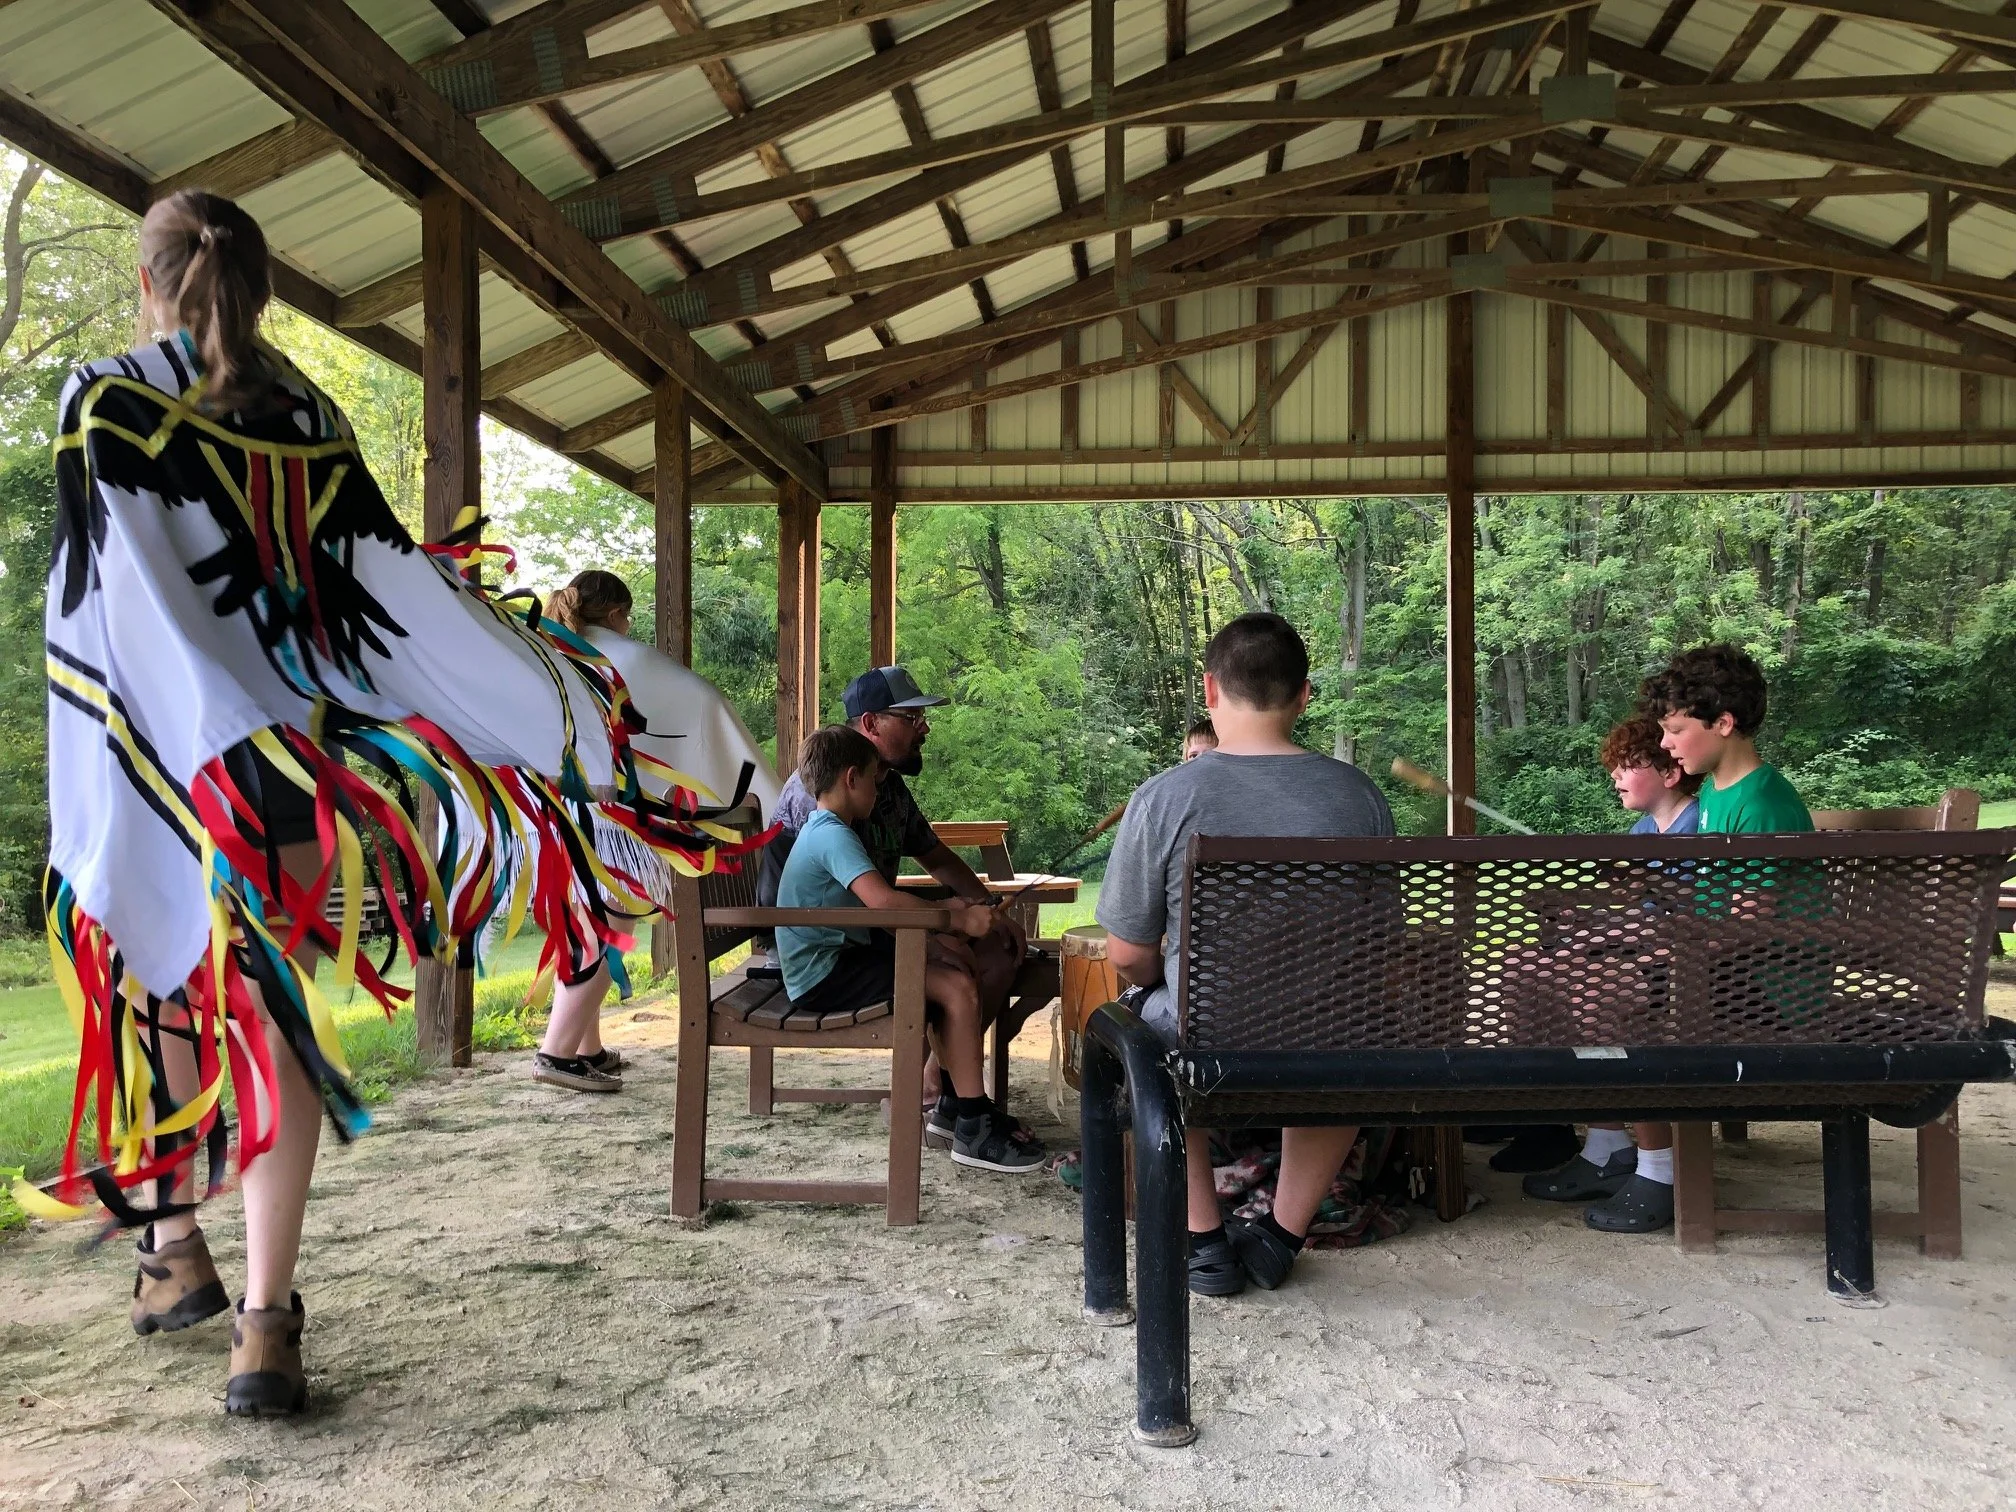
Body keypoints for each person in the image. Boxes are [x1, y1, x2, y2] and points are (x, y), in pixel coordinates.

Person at [33, 191, 733, 1416]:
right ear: (264, 290)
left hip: (158, 765)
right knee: (273, 1027)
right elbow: (393, 590)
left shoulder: (104, 400)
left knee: (155, 999)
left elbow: (98, 601)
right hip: (291, 778)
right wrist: (553, 707)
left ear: (147, 283)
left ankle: (173, 1244)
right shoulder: (309, 415)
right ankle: (261, 1325)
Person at [1098, 612, 1394, 1294]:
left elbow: (1127, 953)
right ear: (1304, 696)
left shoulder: (1166, 797)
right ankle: (1281, 1236)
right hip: (1332, 1033)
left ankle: (1204, 1242)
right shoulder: (1359, 797)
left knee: (1145, 1027)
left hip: (1211, 1029)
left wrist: (1161, 976)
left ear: (1209, 689)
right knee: (1347, 1025)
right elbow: (1380, 938)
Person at [1575, 644, 1812, 1235]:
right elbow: (1706, 907)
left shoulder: (1760, 803)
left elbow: (1747, 926)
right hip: (1721, 968)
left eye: (1676, 730)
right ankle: (1613, 1146)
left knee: (1602, 993)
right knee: (1571, 969)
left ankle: (1660, 1171)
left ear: (1723, 723)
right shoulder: (1714, 798)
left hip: (1769, 990)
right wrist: (1638, 917)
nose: (1667, 743)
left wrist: (1652, 947)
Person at [528, 569, 781, 1093]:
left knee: (587, 924)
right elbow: (702, 703)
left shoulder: (551, 653)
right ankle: (556, 1053)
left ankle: (584, 1046)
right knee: (610, 922)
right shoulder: (629, 658)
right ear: (617, 612)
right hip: (615, 819)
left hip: (556, 816)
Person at [761, 665, 1032, 1139]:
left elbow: (934, 856)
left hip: (870, 933)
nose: (924, 728)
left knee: (985, 952)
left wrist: (982, 906)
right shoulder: (818, 800)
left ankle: (953, 1096)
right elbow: (854, 903)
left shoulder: (882, 787)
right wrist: (948, 925)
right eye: (911, 718)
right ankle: (946, 1097)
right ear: (871, 724)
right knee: (954, 967)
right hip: (825, 951)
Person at [1518, 715, 1705, 1200]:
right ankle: (1589, 1137)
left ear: (1670, 772)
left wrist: (1634, 897)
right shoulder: (1644, 830)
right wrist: (1578, 910)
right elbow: (1630, 906)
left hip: (1682, 975)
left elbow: (1688, 915)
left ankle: (1655, 1164)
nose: (1616, 776)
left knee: (1592, 989)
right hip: (1644, 959)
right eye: (1614, 768)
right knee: (1525, 968)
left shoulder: (1697, 825)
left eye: (1628, 766)